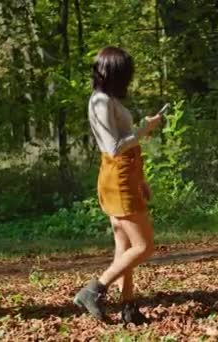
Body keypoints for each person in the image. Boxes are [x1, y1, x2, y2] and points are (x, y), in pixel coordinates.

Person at [73, 46, 162, 324]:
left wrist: (141, 179)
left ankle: (129, 308)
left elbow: (126, 149)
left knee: (124, 248)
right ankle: (94, 290)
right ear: (115, 73)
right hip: (117, 177)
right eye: (127, 73)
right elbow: (114, 148)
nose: (130, 78)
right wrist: (144, 130)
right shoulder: (100, 101)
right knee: (144, 246)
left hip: (126, 175)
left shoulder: (109, 98)